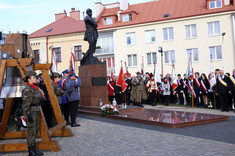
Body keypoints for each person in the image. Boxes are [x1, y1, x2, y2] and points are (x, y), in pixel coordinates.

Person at [22, 70, 44, 156]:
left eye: (35, 77)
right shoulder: (28, 89)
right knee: (31, 132)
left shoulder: (34, 87)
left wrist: (42, 101)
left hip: (35, 110)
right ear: (29, 79)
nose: (36, 79)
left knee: (35, 131)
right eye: (34, 77)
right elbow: (26, 104)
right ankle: (31, 151)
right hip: (31, 112)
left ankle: (34, 149)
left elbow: (37, 99)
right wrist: (28, 115)